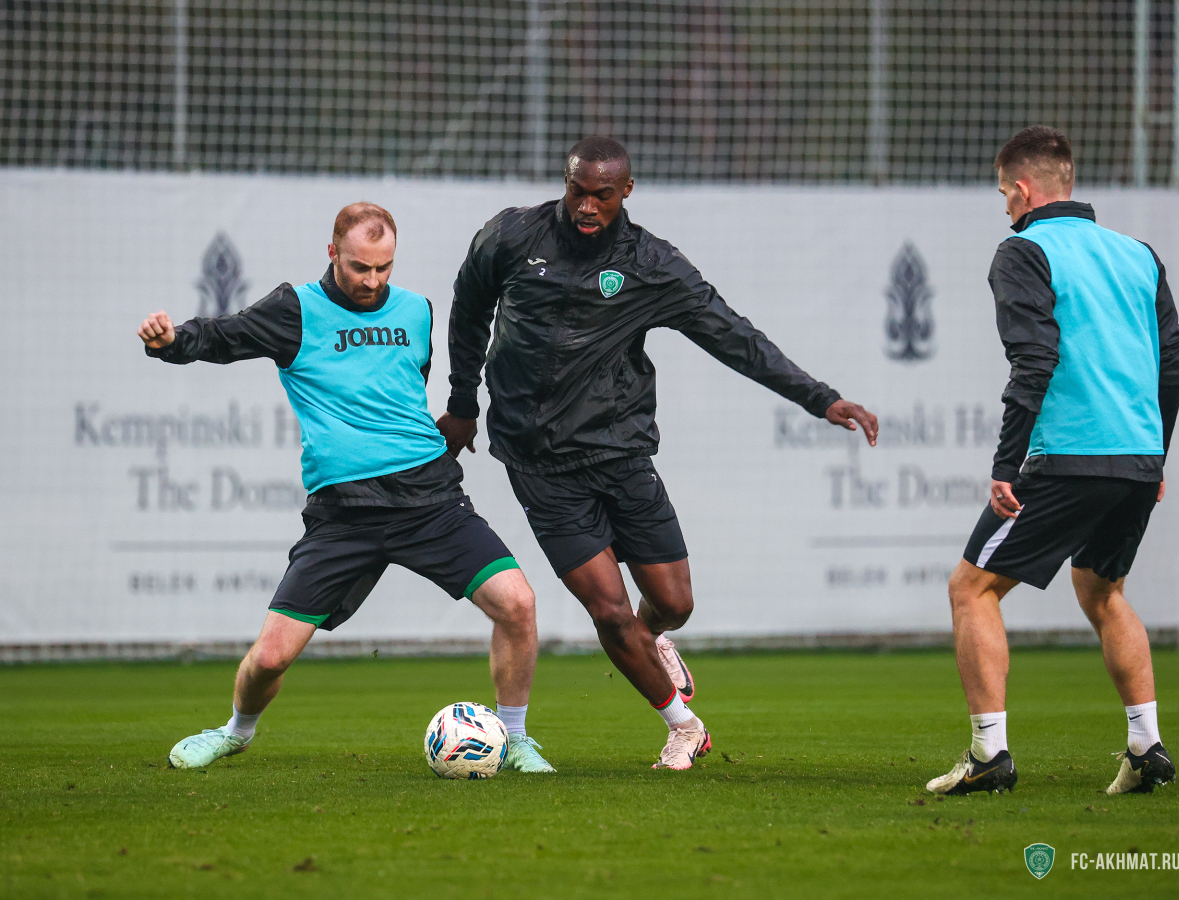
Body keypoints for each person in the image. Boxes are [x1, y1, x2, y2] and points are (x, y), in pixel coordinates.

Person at [437, 137, 879, 769]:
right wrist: (462, 402)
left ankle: (651, 641)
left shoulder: (651, 264)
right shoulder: (510, 236)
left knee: (673, 605)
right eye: (577, 191)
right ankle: (683, 726)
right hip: (538, 463)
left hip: (619, 452)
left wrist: (820, 398)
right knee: (609, 610)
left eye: (602, 195)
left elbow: (735, 337)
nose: (587, 206)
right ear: (566, 182)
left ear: (626, 191)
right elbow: (467, 311)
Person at [138, 202, 555, 773]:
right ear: (332, 253)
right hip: (344, 514)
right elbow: (220, 336)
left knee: (518, 604)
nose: (373, 280)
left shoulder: (416, 310)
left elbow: (407, 389)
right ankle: (235, 731)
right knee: (270, 659)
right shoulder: (296, 309)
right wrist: (170, 341)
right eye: (360, 267)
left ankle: (516, 738)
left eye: (384, 267)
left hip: (430, 499)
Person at [926, 126, 1179, 796]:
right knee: (1103, 591)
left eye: (1003, 195)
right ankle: (1146, 745)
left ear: (1022, 189)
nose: (1005, 207)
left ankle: (989, 755)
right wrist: (1154, 455)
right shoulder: (1138, 254)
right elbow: (1176, 364)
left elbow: (1034, 358)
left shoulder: (1023, 250)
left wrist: (1006, 465)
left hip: (1068, 456)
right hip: (1136, 459)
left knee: (971, 588)